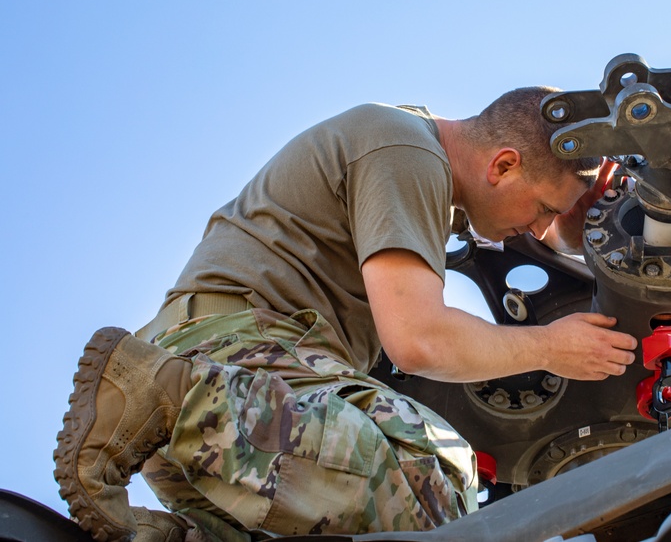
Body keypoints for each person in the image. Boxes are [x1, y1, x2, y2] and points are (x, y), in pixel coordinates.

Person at [53, 87, 638, 542]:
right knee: (438, 476)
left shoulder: (411, 160)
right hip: (227, 367)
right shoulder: (406, 148)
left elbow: (543, 223)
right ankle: (160, 393)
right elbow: (419, 340)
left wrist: (589, 203)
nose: (536, 229)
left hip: (236, 431)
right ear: (504, 164)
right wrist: (549, 347)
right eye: (540, 208)